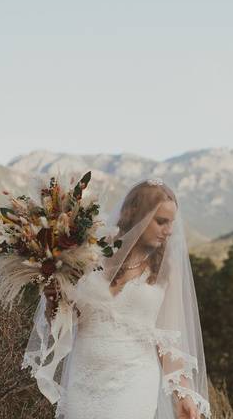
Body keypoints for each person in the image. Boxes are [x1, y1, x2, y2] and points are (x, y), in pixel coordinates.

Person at [22, 178, 210, 419]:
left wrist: (183, 394)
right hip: (84, 378)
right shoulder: (89, 257)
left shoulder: (165, 270)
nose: (169, 231)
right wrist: (53, 301)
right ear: (134, 214)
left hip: (134, 381)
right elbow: (67, 321)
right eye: (161, 221)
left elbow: (168, 340)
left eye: (171, 223)